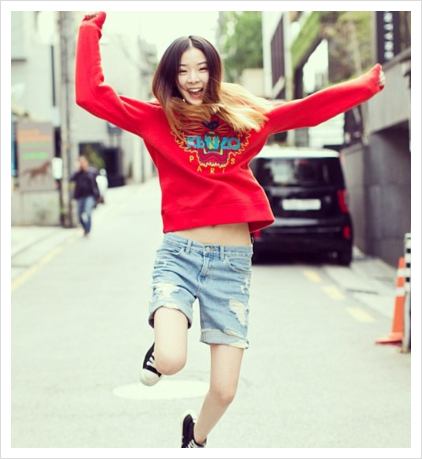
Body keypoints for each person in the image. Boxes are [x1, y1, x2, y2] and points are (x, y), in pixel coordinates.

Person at [75, 11, 385, 448]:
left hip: (232, 265)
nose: (193, 79)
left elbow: (306, 112)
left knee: (224, 391)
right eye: (183, 70)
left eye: (201, 68)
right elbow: (91, 95)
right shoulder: (156, 119)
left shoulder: (244, 117)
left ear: (214, 70)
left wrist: (364, 86)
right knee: (172, 360)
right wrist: (89, 30)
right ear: (171, 76)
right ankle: (161, 349)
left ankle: (195, 438)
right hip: (181, 255)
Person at [70, 155, 100, 237]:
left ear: (86, 162)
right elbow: (71, 179)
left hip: (89, 196)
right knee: (79, 215)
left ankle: (87, 230)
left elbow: (95, 185)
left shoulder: (91, 172)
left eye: (83, 162)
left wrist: (98, 196)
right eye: (80, 162)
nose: (82, 163)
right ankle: (85, 228)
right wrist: (78, 170)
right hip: (80, 196)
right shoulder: (78, 173)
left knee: (88, 212)